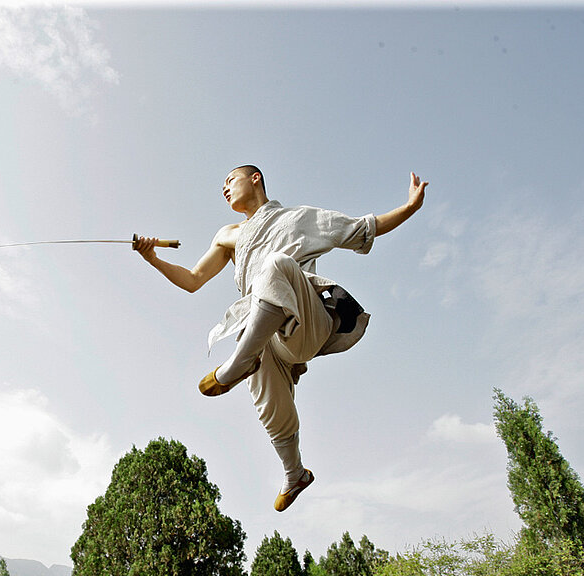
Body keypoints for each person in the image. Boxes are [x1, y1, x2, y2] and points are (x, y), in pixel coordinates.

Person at [135, 165, 428, 511]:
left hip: (307, 320)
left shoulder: (299, 218)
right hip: (267, 333)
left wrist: (409, 208)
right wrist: (152, 258)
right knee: (265, 392)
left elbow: (364, 228)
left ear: (255, 178)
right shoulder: (227, 235)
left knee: (274, 264)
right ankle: (295, 474)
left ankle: (237, 364)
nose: (224, 189)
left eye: (230, 180)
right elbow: (193, 279)